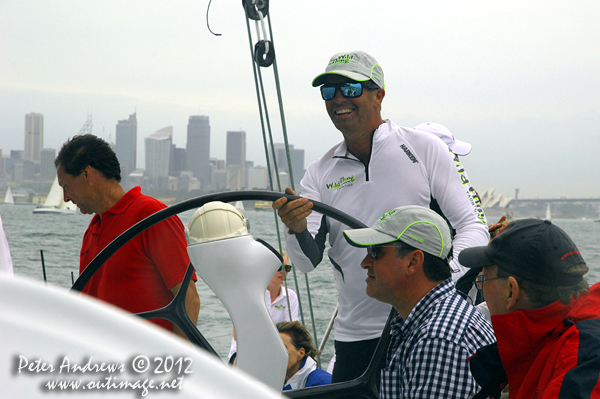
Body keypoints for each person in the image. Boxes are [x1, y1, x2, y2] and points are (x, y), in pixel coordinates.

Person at [272, 50, 489, 382]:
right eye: (329, 91)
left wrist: (440, 279)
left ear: (379, 96)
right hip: (355, 336)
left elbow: (472, 226)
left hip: (425, 321)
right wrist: (297, 227)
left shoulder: (426, 149)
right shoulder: (318, 172)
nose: (339, 99)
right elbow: (304, 261)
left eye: (351, 89)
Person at [55, 134, 200, 339]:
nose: (65, 198)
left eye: (66, 186)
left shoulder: (150, 215)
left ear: (87, 174)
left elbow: (189, 300)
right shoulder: (92, 230)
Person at [342, 205, 496, 398]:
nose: (364, 262)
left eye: (375, 251)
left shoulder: (440, 340)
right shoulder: (430, 323)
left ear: (413, 261)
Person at [459, 219, 600, 399]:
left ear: (511, 291)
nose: (483, 289)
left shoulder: (581, 367)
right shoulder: (551, 344)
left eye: (484, 279)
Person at [228, 250, 299, 364]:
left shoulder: (291, 296)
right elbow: (239, 335)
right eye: (278, 268)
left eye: (287, 268)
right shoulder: (249, 295)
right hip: (244, 353)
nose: (283, 272)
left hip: (276, 353)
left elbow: (291, 332)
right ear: (266, 269)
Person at [277, 321, 332, 391]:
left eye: (283, 347)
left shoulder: (322, 384)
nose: (277, 353)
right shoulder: (277, 383)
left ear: (301, 353)